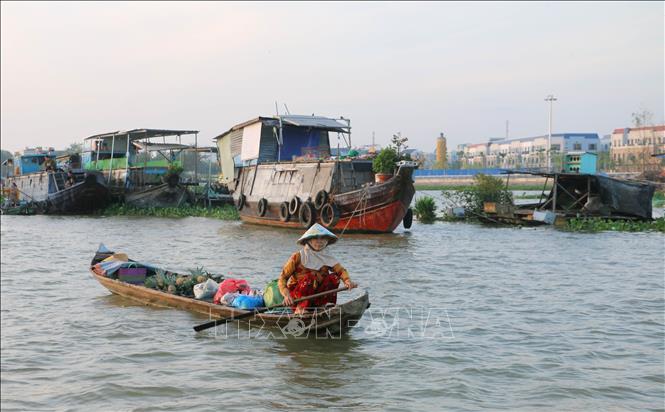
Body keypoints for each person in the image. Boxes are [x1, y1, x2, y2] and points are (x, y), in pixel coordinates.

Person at [278, 223, 357, 314]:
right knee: (309, 278)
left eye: (323, 238)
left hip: (318, 296)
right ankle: (301, 308)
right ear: (309, 240)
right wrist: (286, 296)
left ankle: (325, 305)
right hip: (297, 298)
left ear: (327, 241)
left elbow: (341, 271)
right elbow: (283, 278)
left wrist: (348, 282)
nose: (320, 241)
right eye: (316, 238)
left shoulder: (328, 257)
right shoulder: (297, 257)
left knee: (334, 277)